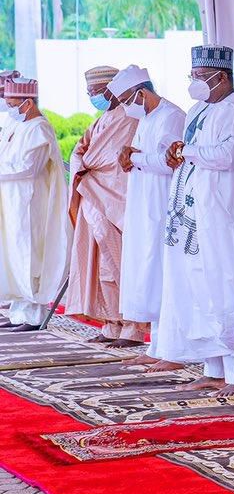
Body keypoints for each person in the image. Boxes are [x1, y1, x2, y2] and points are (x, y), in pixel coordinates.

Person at [156, 46, 234, 396]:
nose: (195, 83)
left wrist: (189, 152)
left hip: (223, 212)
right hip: (193, 212)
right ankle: (213, 366)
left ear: (221, 77)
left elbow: (233, 155)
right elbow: (188, 147)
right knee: (198, 287)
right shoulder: (198, 108)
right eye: (193, 76)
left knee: (225, 286)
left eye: (201, 77)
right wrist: (176, 150)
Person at [109, 66, 186, 369]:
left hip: (164, 204)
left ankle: (173, 352)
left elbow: (171, 162)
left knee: (165, 275)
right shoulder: (146, 118)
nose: (126, 107)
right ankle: (156, 345)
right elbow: (142, 156)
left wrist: (135, 157)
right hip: (144, 204)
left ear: (141, 93)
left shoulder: (171, 116)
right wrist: (132, 156)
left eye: (127, 99)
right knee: (148, 274)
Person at [65, 66, 147, 347]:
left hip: (115, 200)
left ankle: (133, 328)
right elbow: (79, 151)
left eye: (95, 92)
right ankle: (112, 323)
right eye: (89, 93)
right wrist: (83, 164)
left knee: (120, 264)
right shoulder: (101, 119)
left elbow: (111, 158)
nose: (92, 97)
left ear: (109, 89)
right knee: (101, 268)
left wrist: (85, 164)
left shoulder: (128, 117)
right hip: (94, 198)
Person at [0, 78, 69, 332]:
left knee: (30, 255)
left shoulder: (40, 128)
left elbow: (29, 168)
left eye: (12, 104)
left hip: (30, 201)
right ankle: (18, 313)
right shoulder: (15, 124)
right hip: (10, 201)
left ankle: (34, 315)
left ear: (28, 103)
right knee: (11, 255)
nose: (8, 108)